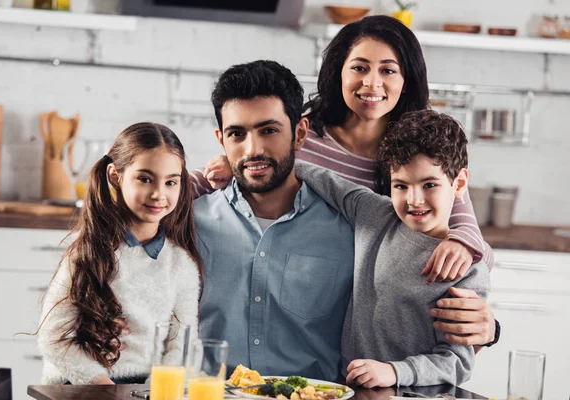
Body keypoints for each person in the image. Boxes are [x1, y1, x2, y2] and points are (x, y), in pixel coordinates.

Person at [196, 16, 497, 348]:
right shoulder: (297, 136)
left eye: (388, 70)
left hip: (380, 319)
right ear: (338, 72)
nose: (371, 83)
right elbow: (219, 176)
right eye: (359, 68)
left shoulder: (414, 153)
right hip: (316, 315)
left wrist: (487, 318)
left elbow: (463, 226)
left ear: (407, 79)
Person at [295, 110, 490, 387]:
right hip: (350, 389)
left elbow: (457, 362)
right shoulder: (373, 213)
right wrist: (246, 165)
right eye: (401, 185)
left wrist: (395, 371)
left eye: (429, 184)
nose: (414, 200)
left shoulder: (466, 269)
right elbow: (325, 179)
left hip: (416, 393)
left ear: (458, 184)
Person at [194, 60, 355, 382]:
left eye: (268, 130)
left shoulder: (350, 232)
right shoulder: (189, 225)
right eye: (237, 134)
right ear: (221, 140)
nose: (253, 149)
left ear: (300, 133)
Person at [37, 122, 201, 385]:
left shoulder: (181, 266)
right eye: (145, 179)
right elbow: (54, 340)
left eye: (171, 182)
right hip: (84, 386)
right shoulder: (86, 252)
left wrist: (154, 390)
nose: (159, 194)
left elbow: (182, 345)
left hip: (146, 388)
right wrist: (104, 388)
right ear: (115, 176)